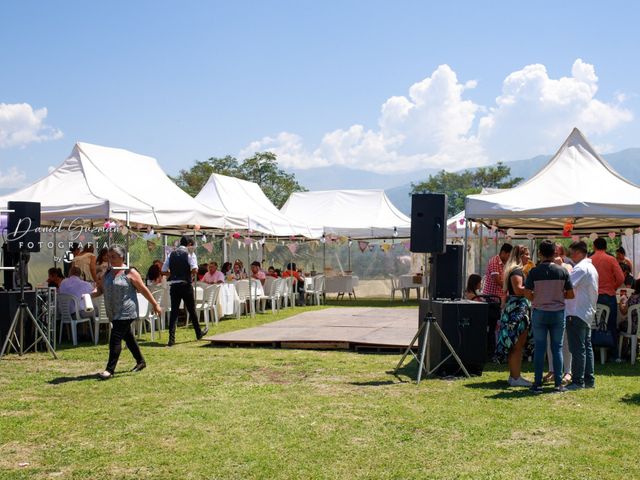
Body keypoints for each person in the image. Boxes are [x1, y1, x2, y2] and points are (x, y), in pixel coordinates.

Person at [94, 245, 161, 380]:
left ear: (122, 257)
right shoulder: (107, 272)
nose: (110, 259)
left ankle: (109, 370)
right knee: (128, 337)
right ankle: (141, 361)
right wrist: (87, 295)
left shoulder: (129, 272)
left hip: (126, 311)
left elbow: (143, 289)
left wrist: (155, 304)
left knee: (115, 339)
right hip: (113, 311)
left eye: (113, 257)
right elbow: (100, 290)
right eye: (109, 256)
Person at [525, 240, 574, 393]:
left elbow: (527, 293)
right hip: (558, 312)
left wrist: (538, 299)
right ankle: (558, 384)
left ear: (539, 253)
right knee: (557, 348)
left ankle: (538, 383)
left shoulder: (533, 272)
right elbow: (571, 294)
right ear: (554, 253)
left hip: (539, 312)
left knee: (540, 348)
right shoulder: (563, 271)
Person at [496, 245, 532, 387]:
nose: (529, 257)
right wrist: (533, 287)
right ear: (520, 256)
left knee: (515, 345)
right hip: (518, 310)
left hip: (515, 309)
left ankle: (514, 376)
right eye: (526, 254)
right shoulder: (517, 271)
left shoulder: (514, 270)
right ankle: (516, 378)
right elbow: (518, 289)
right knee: (517, 345)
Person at [162, 236, 208, 347]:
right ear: (189, 244)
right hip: (185, 285)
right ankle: (198, 333)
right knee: (191, 310)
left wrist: (172, 274)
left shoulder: (171, 254)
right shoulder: (190, 253)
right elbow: (195, 269)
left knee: (174, 312)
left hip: (174, 285)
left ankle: (171, 339)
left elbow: (163, 271)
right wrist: (189, 273)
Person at [565, 241, 598, 390]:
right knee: (586, 347)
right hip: (586, 312)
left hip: (576, 312)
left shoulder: (580, 268)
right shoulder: (591, 267)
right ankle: (588, 380)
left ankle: (577, 381)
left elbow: (567, 287)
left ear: (578, 253)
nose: (570, 256)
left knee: (577, 349)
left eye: (572, 253)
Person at [590, 237, 625, 360]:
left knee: (592, 325)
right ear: (605, 247)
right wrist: (613, 286)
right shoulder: (611, 259)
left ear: (594, 247)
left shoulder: (589, 260)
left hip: (593, 296)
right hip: (609, 296)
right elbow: (621, 278)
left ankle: (592, 353)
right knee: (611, 326)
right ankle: (613, 354)